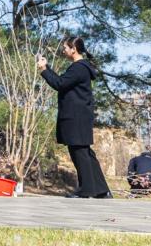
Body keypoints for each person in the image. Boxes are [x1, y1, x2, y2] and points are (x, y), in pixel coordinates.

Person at [38, 36, 110, 199]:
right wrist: (47, 68)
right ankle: (101, 189)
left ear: (73, 49)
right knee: (85, 152)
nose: (63, 50)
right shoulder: (81, 68)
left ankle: (86, 190)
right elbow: (62, 81)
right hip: (81, 116)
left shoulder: (78, 68)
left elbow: (60, 84)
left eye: (65, 47)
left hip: (76, 117)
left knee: (79, 152)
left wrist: (43, 70)